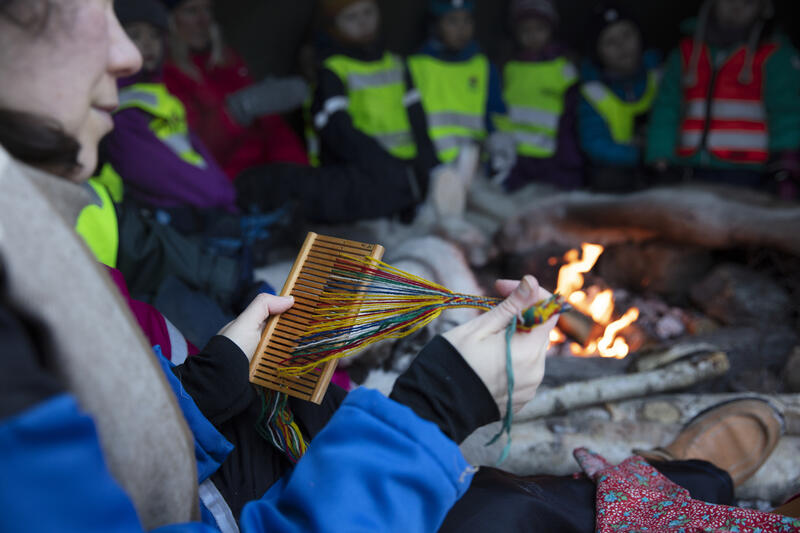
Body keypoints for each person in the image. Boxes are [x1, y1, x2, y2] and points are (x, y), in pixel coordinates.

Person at [1, 2, 797, 531]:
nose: (129, 51)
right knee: (498, 518)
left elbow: (115, 447)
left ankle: (669, 480)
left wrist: (206, 390)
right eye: (90, 7)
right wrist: (440, 404)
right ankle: (680, 483)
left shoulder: (27, 235)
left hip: (208, 475)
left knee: (340, 421)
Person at [645, 0, 800, 192]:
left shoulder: (776, 56)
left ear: (764, 9)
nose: (737, 6)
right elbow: (666, 109)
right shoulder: (685, 53)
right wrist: (661, 156)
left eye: (748, 3)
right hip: (687, 169)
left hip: (750, 175)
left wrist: (784, 164)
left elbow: (787, 114)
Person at [306, 0, 439, 219]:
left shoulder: (396, 63)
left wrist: (432, 170)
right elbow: (339, 134)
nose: (363, 22)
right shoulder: (332, 71)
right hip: (362, 179)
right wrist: (387, 167)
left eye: (368, 12)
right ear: (333, 25)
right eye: (351, 17)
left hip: (408, 174)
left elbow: (419, 124)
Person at [160, 0, 309, 180]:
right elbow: (194, 151)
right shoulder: (167, 76)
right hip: (224, 185)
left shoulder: (227, 62)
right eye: (191, 11)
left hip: (267, 176)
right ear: (169, 19)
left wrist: (301, 174)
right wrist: (233, 112)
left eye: (208, 10)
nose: (203, 20)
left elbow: (271, 127)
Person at [497, 0, 584, 192]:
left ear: (551, 29)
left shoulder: (564, 67)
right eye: (525, 30)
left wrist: (568, 156)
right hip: (515, 156)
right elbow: (501, 110)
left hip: (553, 156)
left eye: (540, 29)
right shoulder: (510, 68)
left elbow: (571, 116)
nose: (533, 36)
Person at [407, 0, 506, 166]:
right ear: (436, 25)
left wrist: (500, 147)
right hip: (430, 164)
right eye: (452, 21)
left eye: (467, 20)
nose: (462, 29)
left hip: (476, 164)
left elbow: (495, 116)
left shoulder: (483, 66)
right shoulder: (416, 66)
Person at [578, 2, 661, 192]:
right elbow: (594, 143)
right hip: (619, 170)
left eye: (627, 35)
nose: (622, 46)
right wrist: (639, 154)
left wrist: (658, 150)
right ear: (597, 52)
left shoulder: (660, 75)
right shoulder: (593, 92)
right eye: (610, 42)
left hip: (660, 162)